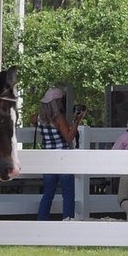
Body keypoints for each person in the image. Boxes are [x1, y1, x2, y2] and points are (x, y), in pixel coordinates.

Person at [35, 87, 84, 220]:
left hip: (48, 158)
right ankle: (68, 220)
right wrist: (77, 122)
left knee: (48, 193)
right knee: (68, 193)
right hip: (63, 158)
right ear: (57, 102)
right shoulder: (59, 119)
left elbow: (31, 119)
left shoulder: (39, 118)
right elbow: (68, 137)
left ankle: (42, 220)